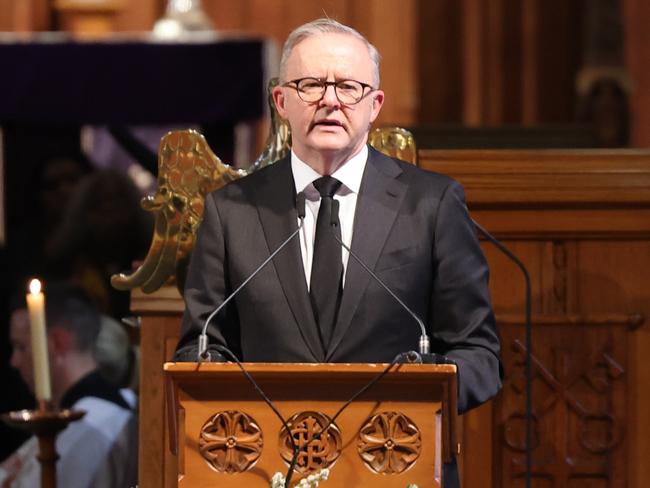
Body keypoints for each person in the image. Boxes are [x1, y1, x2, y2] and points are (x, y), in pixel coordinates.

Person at [175, 18, 502, 483]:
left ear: (375, 104)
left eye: (348, 86)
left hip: (394, 463)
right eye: (310, 85)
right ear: (281, 101)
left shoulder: (430, 204)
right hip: (268, 471)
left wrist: (425, 391)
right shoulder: (232, 211)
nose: (330, 100)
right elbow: (200, 347)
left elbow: (478, 353)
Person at [0, 284, 137, 488]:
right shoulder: (87, 416)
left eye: (22, 347)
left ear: (56, 343)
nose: (14, 361)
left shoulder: (92, 427)